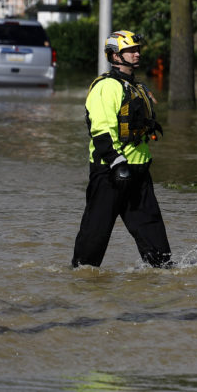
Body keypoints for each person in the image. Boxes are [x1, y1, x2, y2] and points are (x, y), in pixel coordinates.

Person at [72, 30, 170, 268]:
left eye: (137, 49)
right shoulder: (106, 87)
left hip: (138, 173)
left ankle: (162, 279)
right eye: (130, 50)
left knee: (156, 242)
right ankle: (81, 279)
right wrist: (117, 161)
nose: (137, 54)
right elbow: (102, 129)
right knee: (95, 235)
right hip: (111, 172)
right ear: (115, 56)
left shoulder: (136, 86)